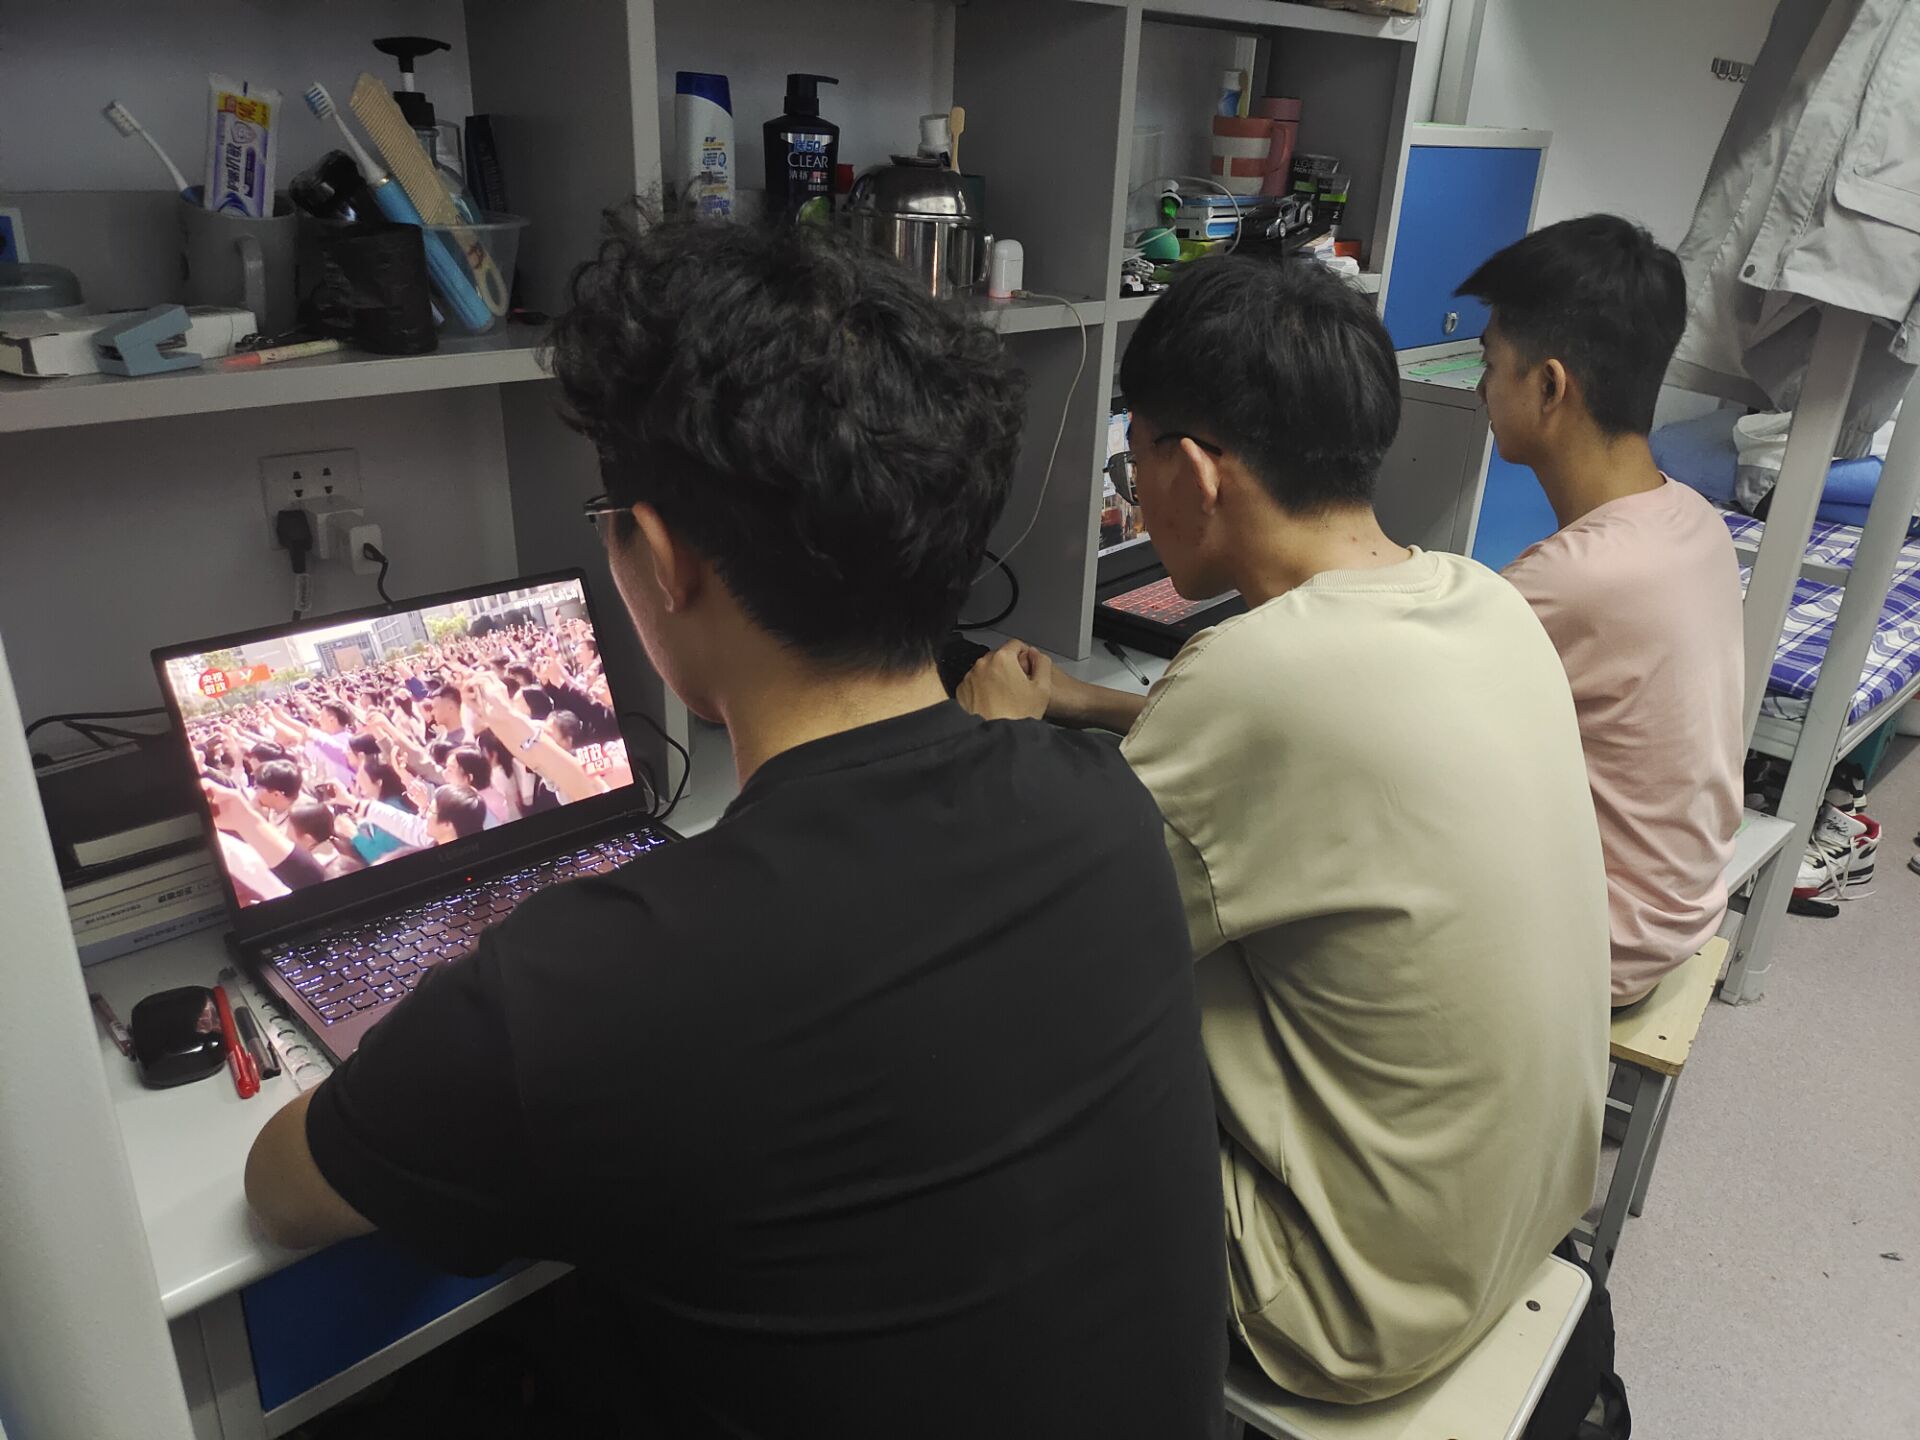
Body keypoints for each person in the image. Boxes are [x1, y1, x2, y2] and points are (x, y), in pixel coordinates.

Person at [244, 212, 1227, 1436]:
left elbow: (283, 1190)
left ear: (663, 558)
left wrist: (472, 1010)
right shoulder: (1103, 806)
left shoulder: (589, 985)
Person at [958, 255, 1610, 1403]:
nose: (1134, 487)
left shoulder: (1251, 675)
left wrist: (997, 742)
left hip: (1347, 1304)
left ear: (1196, 471)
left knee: (983, 1069)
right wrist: (1085, 702)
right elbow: (1317, 761)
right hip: (1523, 1217)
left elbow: (1028, 947)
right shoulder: (1483, 599)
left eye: (1133, 457)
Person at [1458, 214, 1745, 1004]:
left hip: (1604, 942)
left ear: (1550, 387)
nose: (1482, 389)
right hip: (1679, 903)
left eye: (1490, 364)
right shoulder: (1693, 518)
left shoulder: (1577, 578)